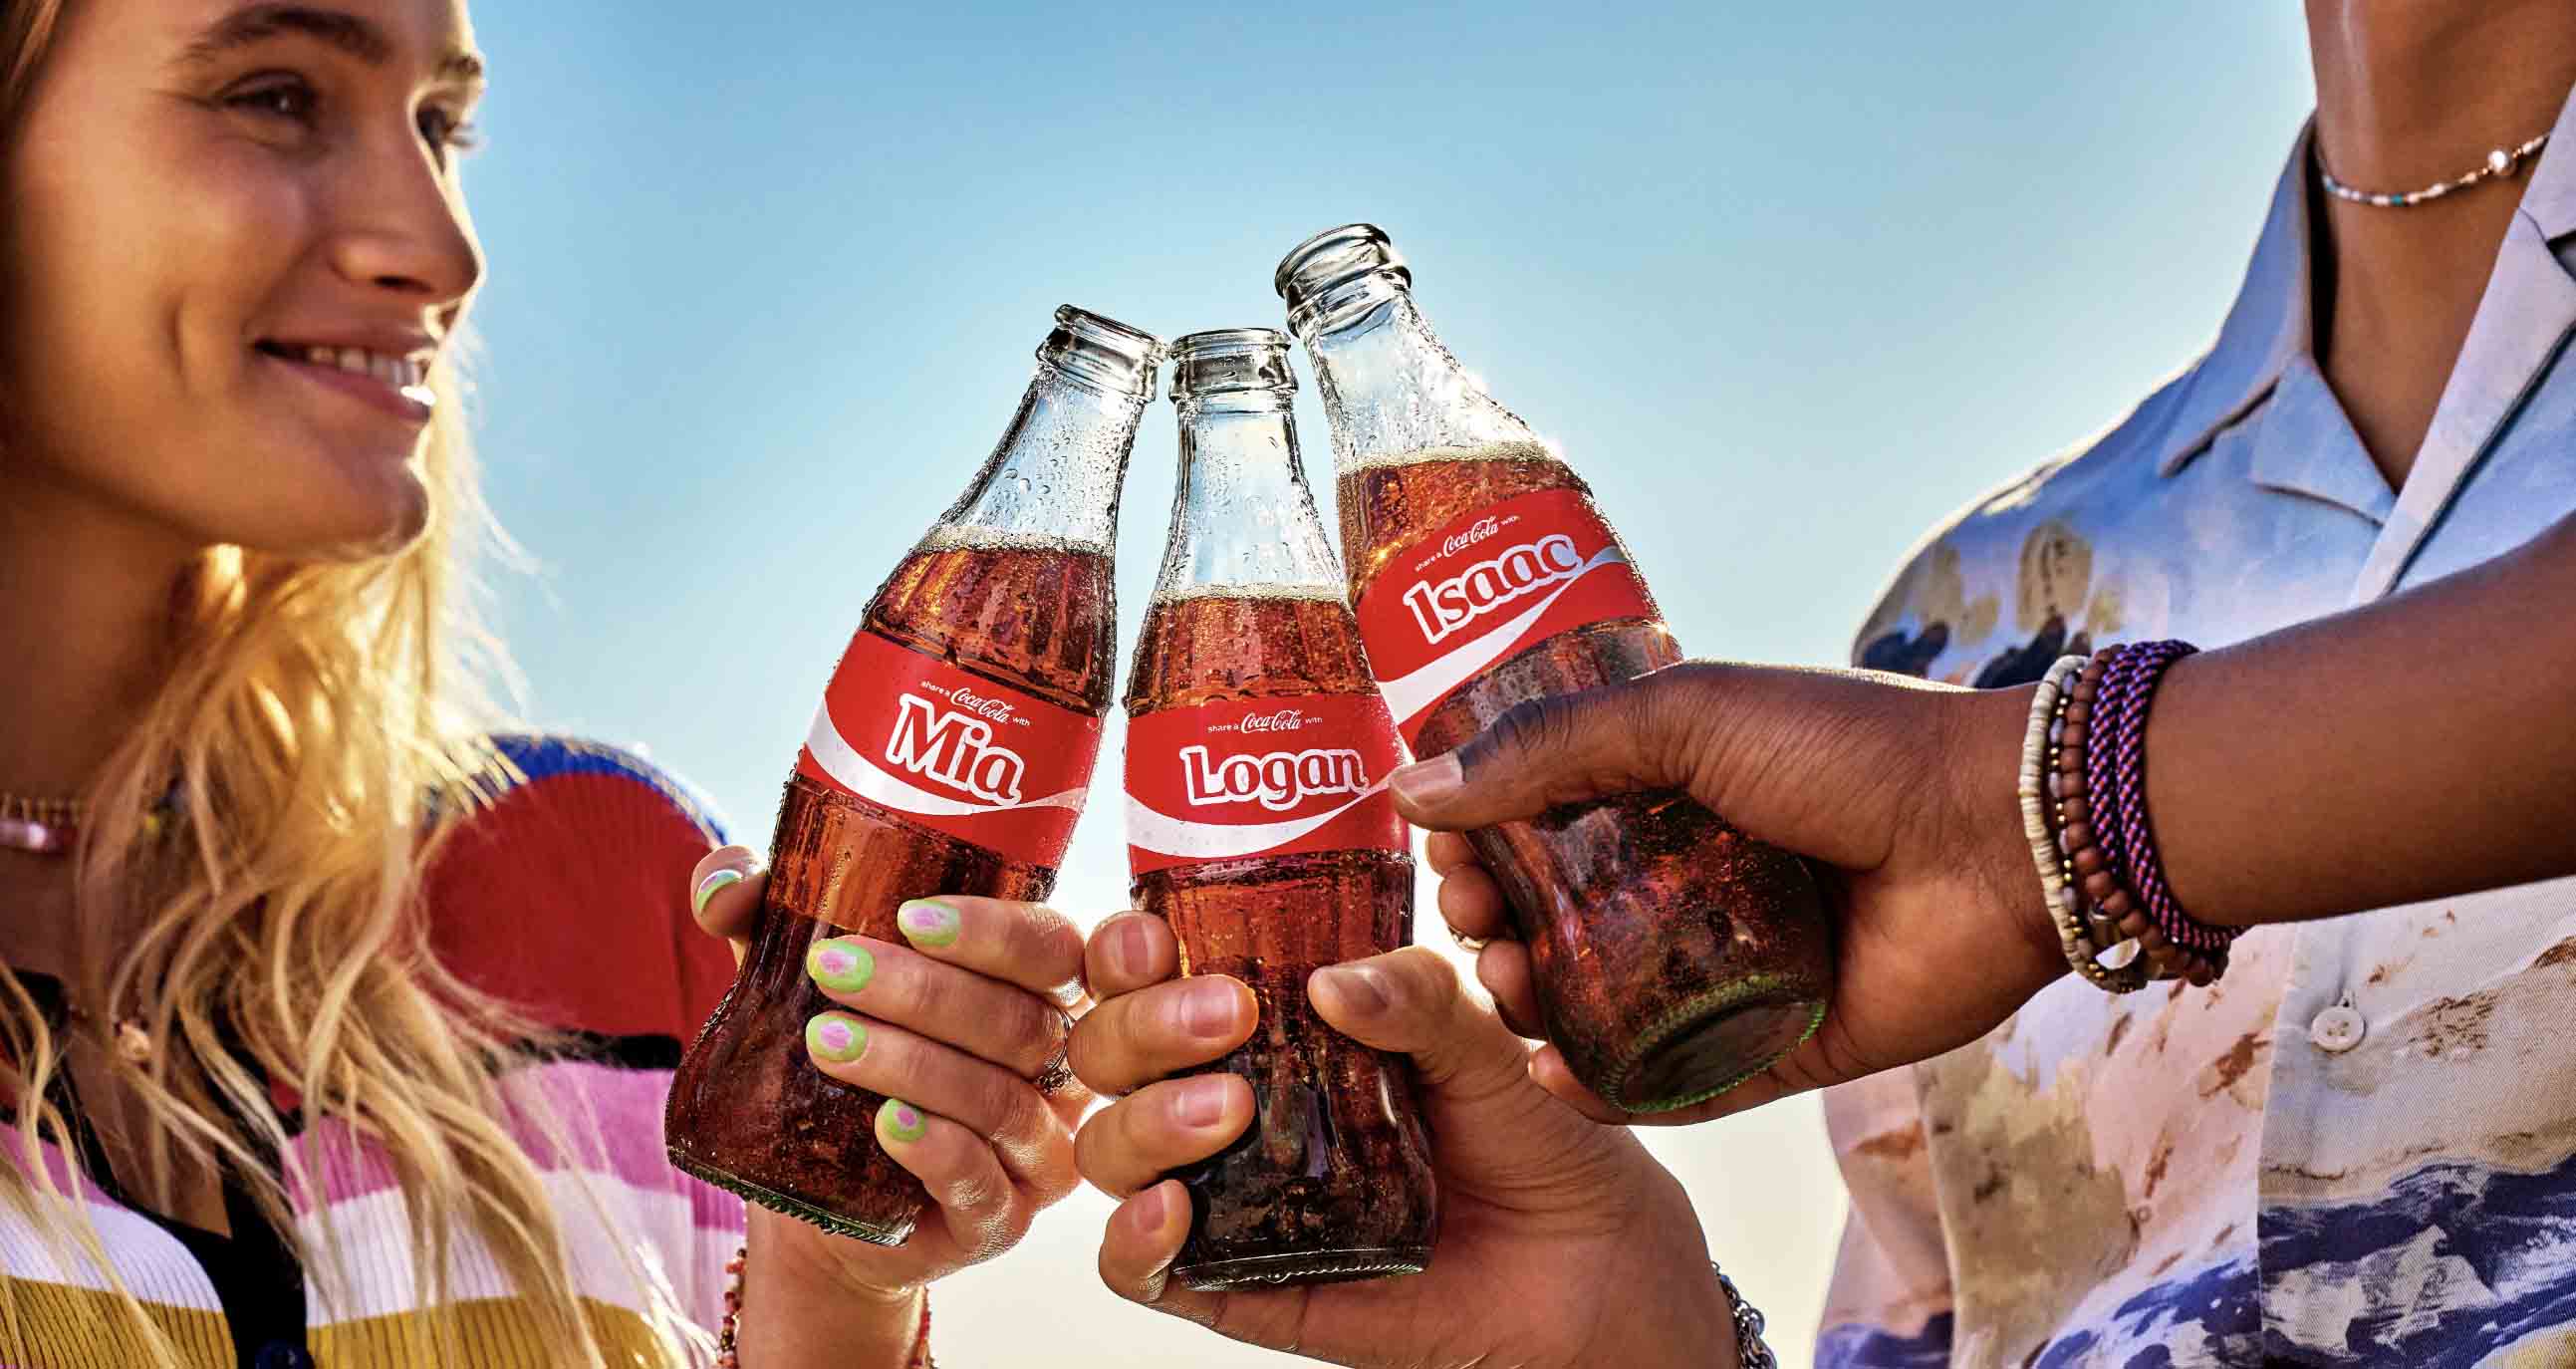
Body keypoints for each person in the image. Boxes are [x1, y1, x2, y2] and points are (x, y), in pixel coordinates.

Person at [1074, 4, 2576, 1365]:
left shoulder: (1952, 738)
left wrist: (2041, 817)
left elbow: (2011, 815)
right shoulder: (1962, 620)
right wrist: (1643, 1332)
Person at [0, 2, 1079, 1364]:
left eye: (440, 125)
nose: (444, 249)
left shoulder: (605, 889)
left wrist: (830, 1297)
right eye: (275, 95)